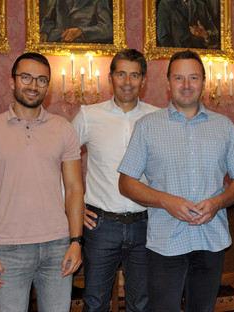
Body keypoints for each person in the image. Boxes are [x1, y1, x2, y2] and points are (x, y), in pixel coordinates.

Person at [118, 50, 234, 312]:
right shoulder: (147, 126)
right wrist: (166, 201)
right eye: (179, 78)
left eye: (193, 78)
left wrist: (218, 202)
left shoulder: (224, 126)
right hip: (165, 242)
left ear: (203, 81)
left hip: (211, 240)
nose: (186, 86)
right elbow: (126, 182)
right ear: (168, 83)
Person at [0, 53, 84, 312]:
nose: (33, 85)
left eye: (42, 80)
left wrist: (76, 241)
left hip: (58, 247)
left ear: (48, 86)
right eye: (26, 78)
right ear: (12, 82)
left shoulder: (64, 128)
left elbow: (75, 189)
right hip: (7, 250)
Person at [72, 49, 159, 312]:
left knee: (142, 304)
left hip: (145, 225)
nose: (127, 82)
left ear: (143, 80)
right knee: (95, 302)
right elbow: (60, 162)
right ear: (111, 78)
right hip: (100, 226)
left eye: (134, 75)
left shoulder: (158, 117)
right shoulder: (88, 115)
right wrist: (72, 209)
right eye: (121, 74)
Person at [40, 0, 113, 44]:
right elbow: (49, 20)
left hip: (82, 49)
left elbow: (107, 29)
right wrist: (44, 32)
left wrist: (81, 31)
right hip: (54, 46)